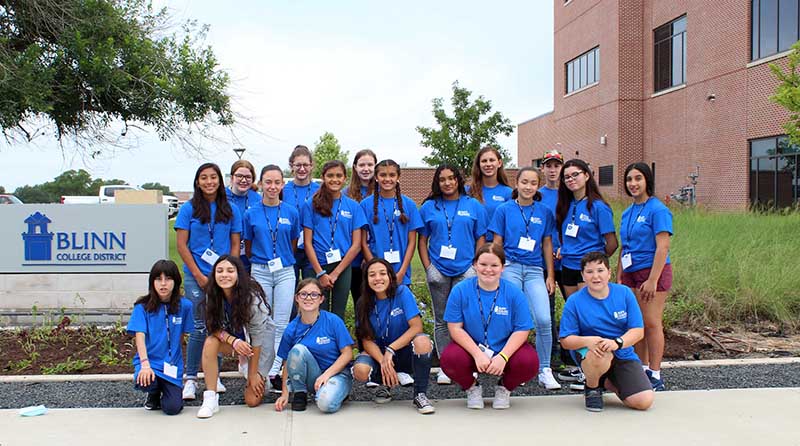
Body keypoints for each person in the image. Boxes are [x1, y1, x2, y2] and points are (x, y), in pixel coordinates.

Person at [440, 244, 538, 410]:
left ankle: (504, 387)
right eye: (483, 264)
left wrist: (503, 357)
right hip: (473, 349)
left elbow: (522, 329)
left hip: (504, 349)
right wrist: (477, 354)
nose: (488, 270)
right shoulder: (460, 290)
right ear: (474, 265)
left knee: (529, 362)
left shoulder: (514, 293)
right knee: (450, 359)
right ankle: (472, 387)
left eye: (494, 265)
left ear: (503, 267)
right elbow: (455, 328)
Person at [175, 162, 242, 400]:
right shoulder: (188, 209)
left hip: (223, 277)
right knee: (200, 326)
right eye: (204, 178)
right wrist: (200, 276)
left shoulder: (231, 209)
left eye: (213, 177)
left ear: (220, 181)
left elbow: (235, 244)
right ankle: (191, 378)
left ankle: (215, 376)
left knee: (219, 325)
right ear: (197, 182)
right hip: (197, 275)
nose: (209, 182)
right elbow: (181, 245)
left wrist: (229, 273)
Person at [489, 166, 559, 390]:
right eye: (524, 182)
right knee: (509, 317)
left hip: (534, 270)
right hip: (509, 267)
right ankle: (505, 362)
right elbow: (497, 242)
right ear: (516, 183)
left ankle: (545, 369)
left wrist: (550, 275)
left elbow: (547, 244)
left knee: (543, 318)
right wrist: (496, 270)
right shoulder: (504, 210)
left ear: (538, 186)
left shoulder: (544, 211)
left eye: (533, 183)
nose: (528, 187)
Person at [559, 252, 654, 412]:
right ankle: (592, 387)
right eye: (589, 272)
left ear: (609, 273)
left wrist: (617, 343)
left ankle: (607, 381)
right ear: (583, 275)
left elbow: (638, 331)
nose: (595, 276)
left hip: (620, 350)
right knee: (600, 355)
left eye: (600, 270)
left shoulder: (624, 294)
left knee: (643, 401)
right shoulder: (574, 302)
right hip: (589, 350)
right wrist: (588, 341)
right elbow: (566, 340)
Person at [418, 164, 488, 385]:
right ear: (437, 183)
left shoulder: (473, 205)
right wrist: (429, 267)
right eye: (442, 179)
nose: (447, 183)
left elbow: (480, 238)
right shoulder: (429, 207)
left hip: (466, 268)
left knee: (466, 318)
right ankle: (446, 366)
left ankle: (468, 362)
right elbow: (422, 240)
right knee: (442, 319)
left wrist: (475, 265)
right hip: (439, 269)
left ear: (458, 180)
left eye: (451, 178)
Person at [244, 165, 302, 391]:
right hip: (260, 270)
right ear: (260, 184)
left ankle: (276, 371)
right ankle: (261, 371)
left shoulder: (291, 212)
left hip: (286, 270)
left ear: (282, 185)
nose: (272, 186)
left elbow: (294, 242)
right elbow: (248, 246)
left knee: (281, 322)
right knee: (262, 322)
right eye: (268, 182)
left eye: (277, 182)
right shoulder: (251, 213)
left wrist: (281, 257)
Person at [196, 256, 276, 418]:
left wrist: (254, 375)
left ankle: (254, 372)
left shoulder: (252, 299)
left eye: (230, 271)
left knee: (252, 400)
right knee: (210, 342)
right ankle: (210, 398)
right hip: (237, 342)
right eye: (220, 271)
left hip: (258, 345)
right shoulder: (212, 293)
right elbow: (213, 327)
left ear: (239, 274)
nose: (224, 275)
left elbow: (257, 341)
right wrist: (233, 340)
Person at [352, 258, 435, 414]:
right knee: (360, 370)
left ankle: (420, 394)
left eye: (382, 273)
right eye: (372, 275)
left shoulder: (402, 292)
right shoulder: (363, 303)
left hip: (402, 351)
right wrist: (383, 360)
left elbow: (416, 326)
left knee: (423, 341)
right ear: (366, 279)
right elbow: (366, 339)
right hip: (379, 354)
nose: (377, 278)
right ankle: (384, 385)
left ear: (390, 276)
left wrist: (391, 350)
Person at [618, 163, 673, 391]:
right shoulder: (628, 212)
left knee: (651, 323)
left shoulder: (657, 210)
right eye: (629, 179)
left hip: (652, 271)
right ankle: (640, 368)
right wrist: (620, 274)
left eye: (638, 178)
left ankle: (656, 373)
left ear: (647, 180)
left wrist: (652, 279)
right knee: (636, 324)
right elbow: (625, 246)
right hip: (630, 272)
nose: (633, 183)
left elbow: (662, 247)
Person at [274, 278, 354, 413]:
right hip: (312, 377)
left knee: (325, 404)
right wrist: (284, 393)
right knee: (297, 350)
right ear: (297, 298)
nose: (308, 298)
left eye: (314, 294)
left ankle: (337, 392)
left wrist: (327, 375)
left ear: (321, 299)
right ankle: (300, 393)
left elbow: (348, 353)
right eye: (303, 294)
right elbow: (287, 361)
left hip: (336, 374)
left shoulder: (333, 321)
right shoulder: (291, 328)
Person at [301, 160, 367, 319]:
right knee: (315, 313)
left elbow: (357, 244)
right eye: (330, 175)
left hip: (342, 267)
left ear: (345, 178)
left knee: (338, 314)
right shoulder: (310, 204)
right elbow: (307, 242)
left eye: (339, 176)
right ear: (323, 177)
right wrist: (321, 273)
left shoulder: (353, 206)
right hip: (315, 266)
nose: (334, 179)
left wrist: (336, 273)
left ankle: (336, 344)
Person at [127, 260, 194, 415]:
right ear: (152, 282)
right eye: (158, 279)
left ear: (176, 281)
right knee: (145, 381)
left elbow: (182, 335)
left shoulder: (185, 306)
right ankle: (154, 392)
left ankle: (168, 389)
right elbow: (140, 336)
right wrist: (144, 364)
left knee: (172, 409)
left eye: (168, 279)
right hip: (150, 363)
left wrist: (174, 358)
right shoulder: (142, 307)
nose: (163, 284)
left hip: (171, 365)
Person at [556, 158, 617, 298]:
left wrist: (596, 261)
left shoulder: (598, 207)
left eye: (575, 174)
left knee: (589, 313)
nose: (571, 179)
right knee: (575, 312)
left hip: (588, 269)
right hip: (567, 267)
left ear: (587, 175)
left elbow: (612, 243)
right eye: (566, 177)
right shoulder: (565, 205)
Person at [360, 159, 422, 286]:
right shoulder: (365, 205)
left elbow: (412, 242)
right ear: (376, 177)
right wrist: (375, 269)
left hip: (401, 273)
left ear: (398, 177)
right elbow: (363, 242)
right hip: (375, 275)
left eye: (392, 175)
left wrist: (402, 272)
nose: (387, 179)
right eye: (383, 175)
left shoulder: (409, 205)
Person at [539, 150, 568, 365]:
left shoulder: (569, 193)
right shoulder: (538, 195)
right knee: (546, 309)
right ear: (542, 168)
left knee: (573, 306)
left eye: (556, 166)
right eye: (548, 165)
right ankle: (552, 354)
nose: (552, 170)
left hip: (568, 260)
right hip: (543, 261)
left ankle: (572, 351)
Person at [344, 149, 377, 315]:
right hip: (353, 258)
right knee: (359, 302)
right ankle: (362, 338)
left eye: (370, 164)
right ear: (355, 167)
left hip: (375, 257)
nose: (366, 168)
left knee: (376, 302)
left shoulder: (382, 191)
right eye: (362, 164)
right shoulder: (345, 194)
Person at [283, 145, 321, 280]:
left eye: (306, 165)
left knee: (311, 288)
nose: (302, 169)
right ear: (291, 165)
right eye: (298, 165)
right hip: (289, 247)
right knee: (290, 291)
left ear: (311, 166)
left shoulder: (320, 190)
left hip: (313, 248)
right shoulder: (283, 190)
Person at [468, 146, 513, 243]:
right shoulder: (468, 191)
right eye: (484, 161)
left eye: (492, 160)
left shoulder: (508, 193)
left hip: (497, 246)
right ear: (479, 165)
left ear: (499, 163)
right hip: (472, 245)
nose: (488, 164)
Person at [226, 160, 261, 271]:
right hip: (227, 254)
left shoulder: (258, 199)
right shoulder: (221, 197)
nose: (243, 180)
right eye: (239, 176)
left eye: (248, 177)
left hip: (252, 257)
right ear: (232, 178)